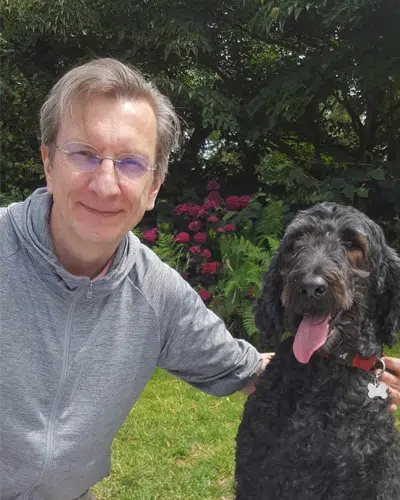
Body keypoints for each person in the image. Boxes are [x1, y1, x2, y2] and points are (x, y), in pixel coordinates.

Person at [0, 58, 399, 500]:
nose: (106, 183)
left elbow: (238, 363)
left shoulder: (156, 293)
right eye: (84, 154)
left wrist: (361, 368)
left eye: (131, 162)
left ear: (154, 186)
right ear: (47, 162)